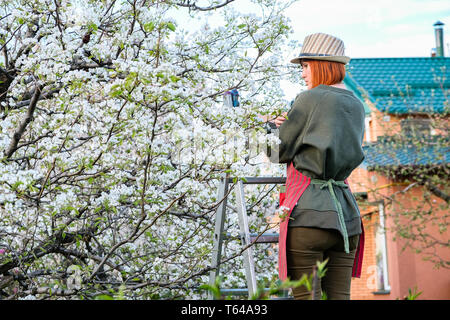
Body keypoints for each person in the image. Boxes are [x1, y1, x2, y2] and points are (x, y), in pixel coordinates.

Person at [266, 33, 365, 300]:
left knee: (306, 297)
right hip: (347, 218)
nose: (302, 75)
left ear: (321, 65)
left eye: (305, 66)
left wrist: (271, 130)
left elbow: (277, 153)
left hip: (309, 216)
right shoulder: (357, 105)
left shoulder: (308, 99)